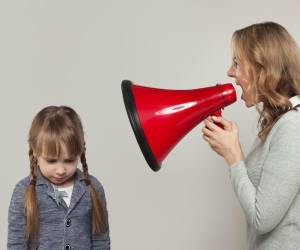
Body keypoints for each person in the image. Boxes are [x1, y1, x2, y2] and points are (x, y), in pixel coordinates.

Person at [202, 22, 300, 249]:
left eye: (237, 63)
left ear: (261, 68)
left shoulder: (292, 126)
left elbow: (262, 218)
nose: (230, 73)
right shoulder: (275, 122)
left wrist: (233, 156)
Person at [7, 106, 110, 250]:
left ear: (80, 152)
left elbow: (101, 241)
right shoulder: (23, 191)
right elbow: (16, 244)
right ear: (35, 151)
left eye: (69, 161)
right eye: (51, 161)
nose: (61, 170)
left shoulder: (92, 188)